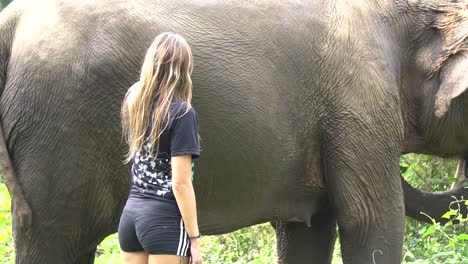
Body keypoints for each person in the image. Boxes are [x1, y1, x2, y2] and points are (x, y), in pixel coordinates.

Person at [118, 32, 202, 264]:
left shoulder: (133, 100)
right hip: (164, 221)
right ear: (184, 68)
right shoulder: (183, 113)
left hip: (131, 218)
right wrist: (195, 239)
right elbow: (181, 184)